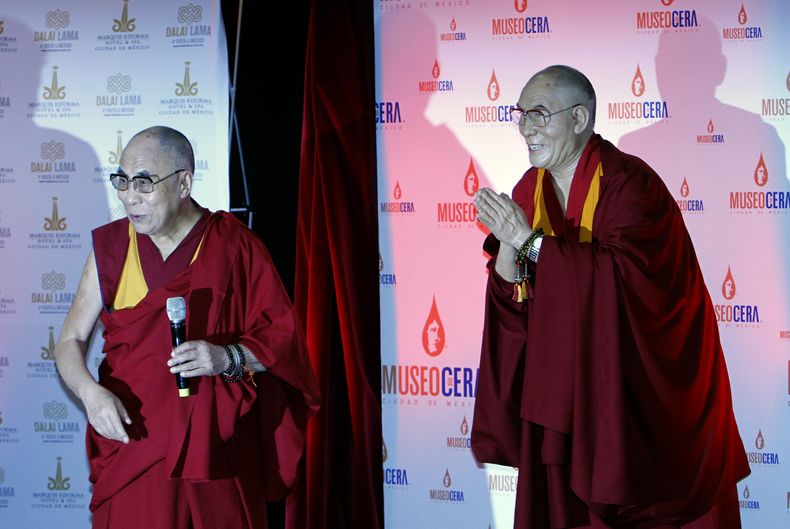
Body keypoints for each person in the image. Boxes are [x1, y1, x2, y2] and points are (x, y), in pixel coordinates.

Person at [471, 66, 748, 529]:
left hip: (629, 395)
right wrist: (507, 249)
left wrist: (529, 242)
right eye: (521, 114)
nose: (525, 128)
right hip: (563, 396)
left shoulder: (629, 184)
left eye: (539, 114)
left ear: (579, 118)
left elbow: (627, 282)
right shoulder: (529, 189)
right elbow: (514, 294)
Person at [54, 126, 319, 529]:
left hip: (214, 451)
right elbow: (70, 339)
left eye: (144, 183)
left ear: (184, 183)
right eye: (122, 181)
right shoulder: (113, 248)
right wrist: (90, 394)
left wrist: (226, 357)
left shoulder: (235, 247)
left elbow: (283, 345)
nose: (129, 196)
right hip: (134, 444)